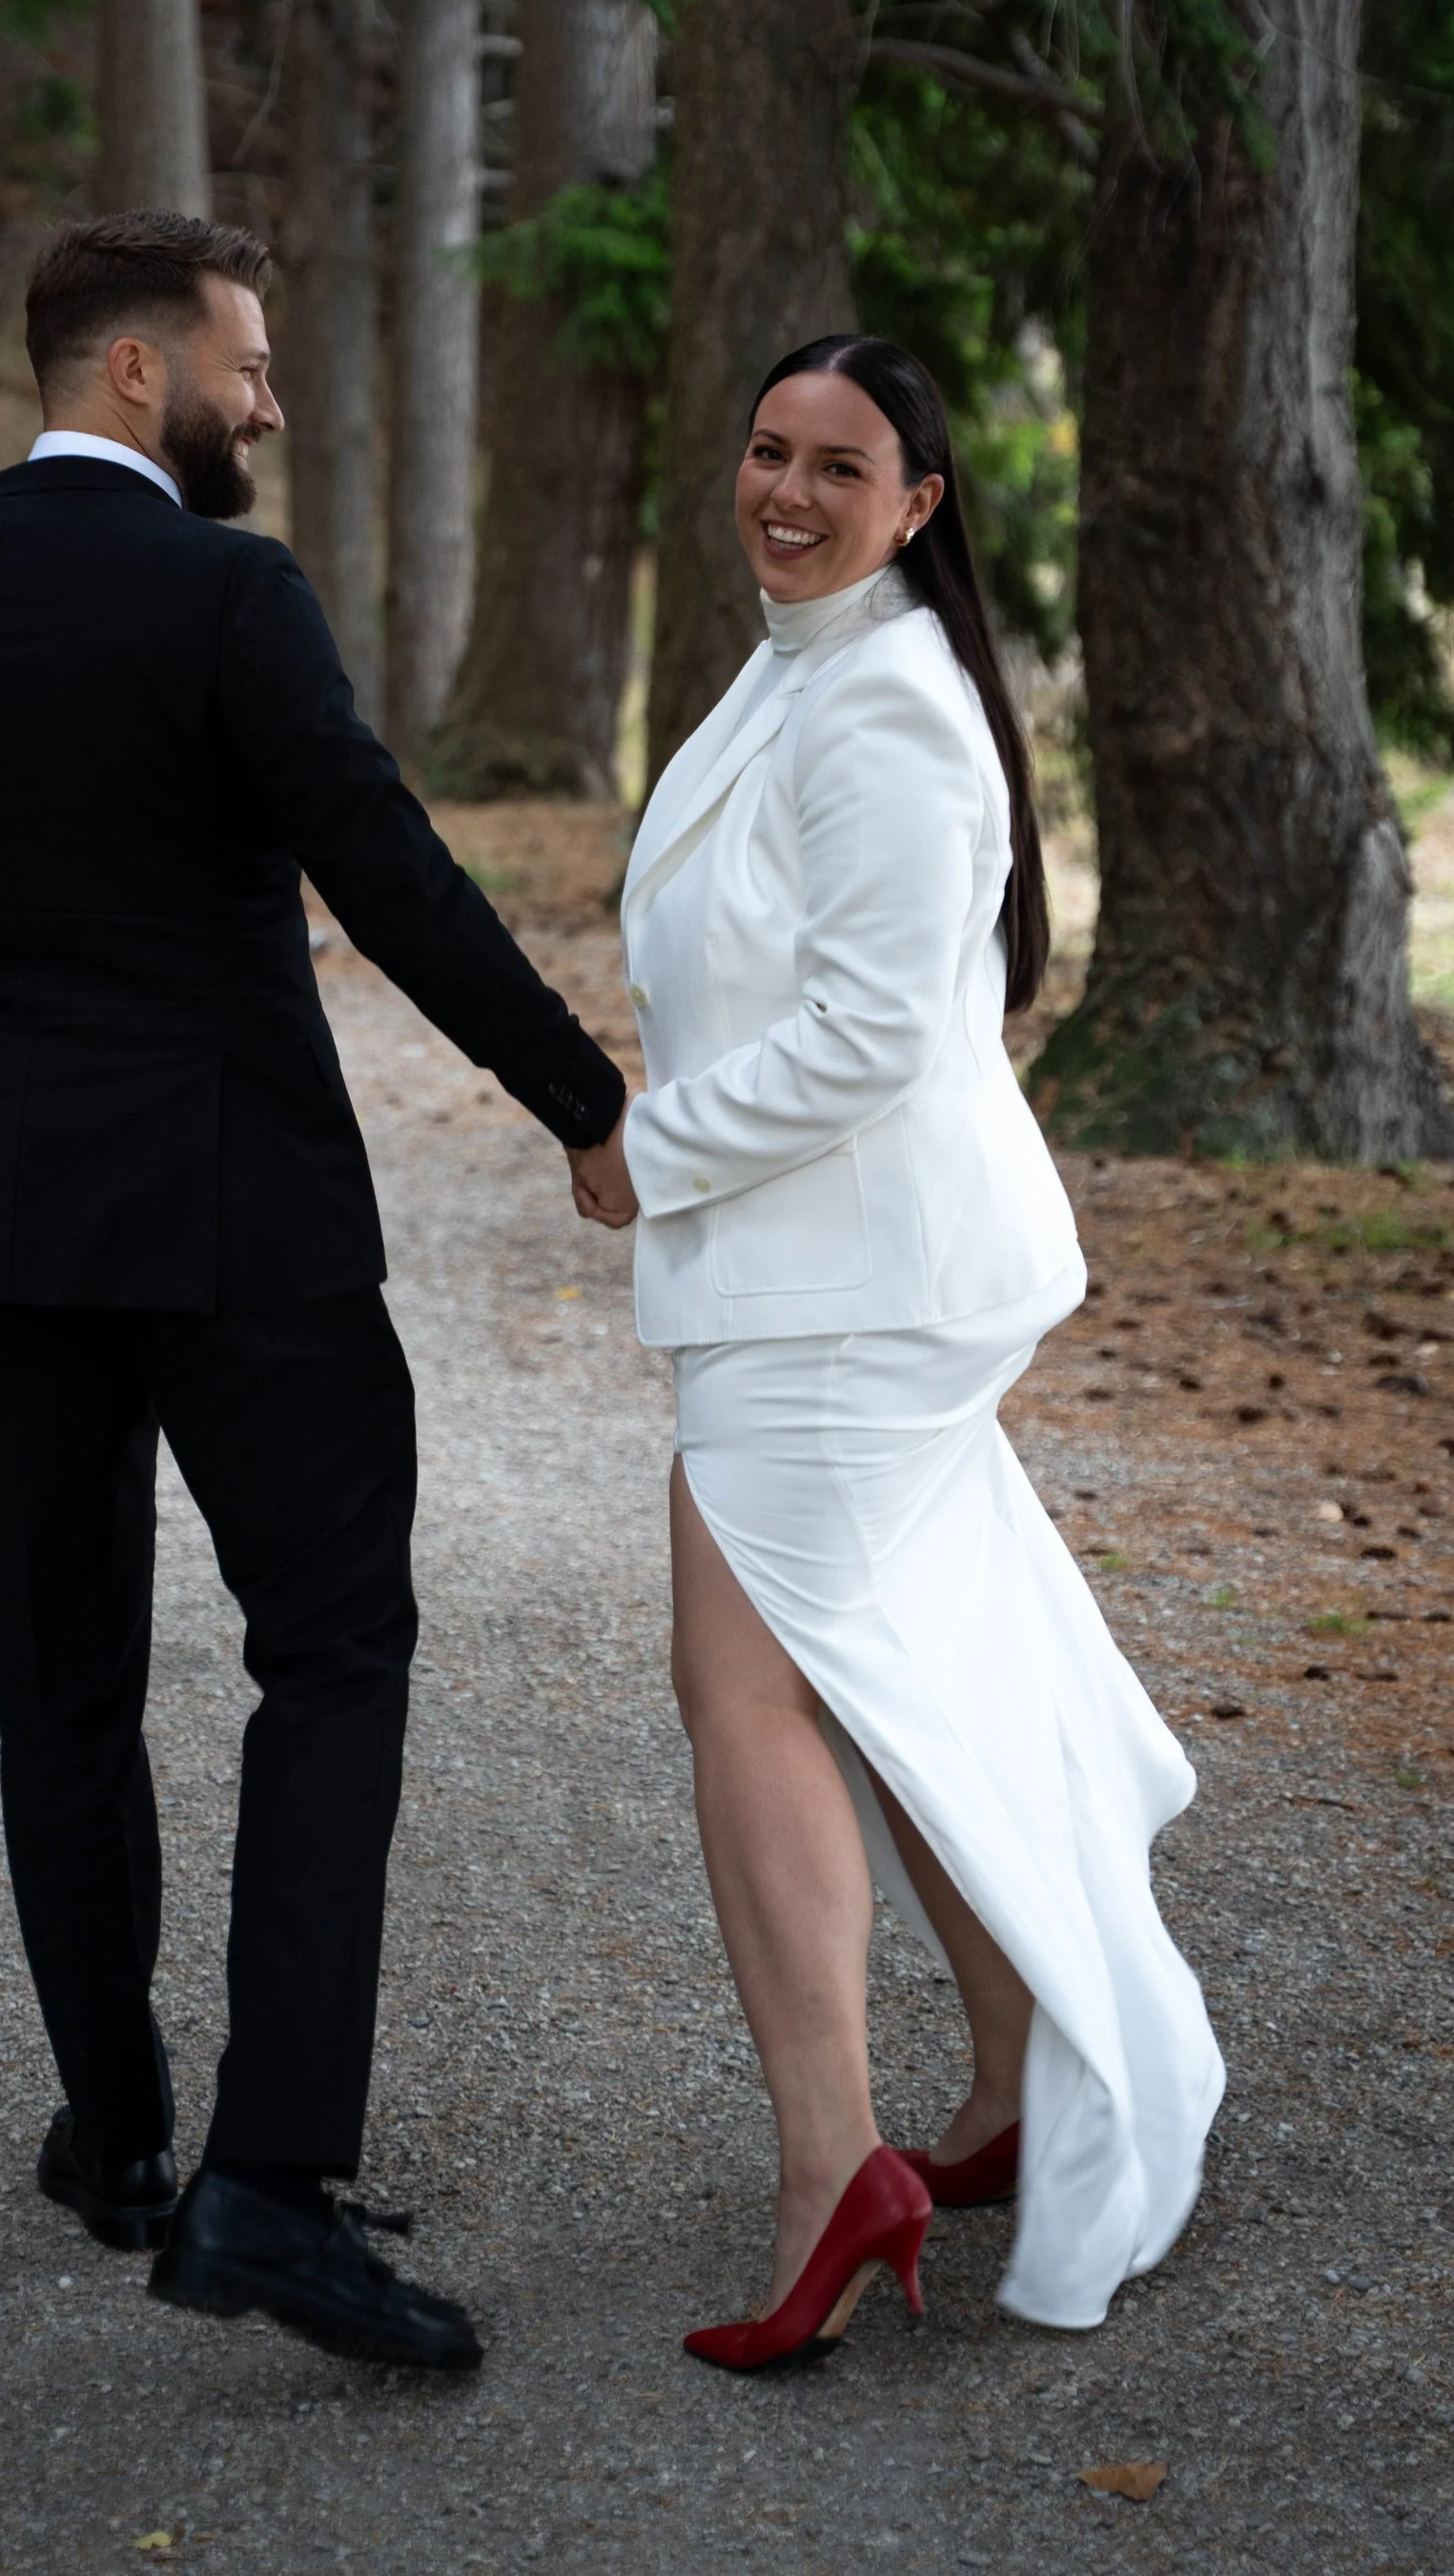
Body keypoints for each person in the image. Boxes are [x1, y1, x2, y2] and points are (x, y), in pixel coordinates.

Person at [0, 210, 628, 2373]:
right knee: (334, 1648)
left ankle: (116, 2139)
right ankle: (266, 2182)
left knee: (63, 1683)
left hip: (20, 1236)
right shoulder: (223, 593)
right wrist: (580, 1095)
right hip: (245, 1223)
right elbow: (384, 867)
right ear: (132, 371)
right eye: (244, 366)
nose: (265, 404)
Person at [571, 334, 1223, 2369]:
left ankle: (828, 2164)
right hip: (828, 1275)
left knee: (743, 1692)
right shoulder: (801, 666)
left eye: (836, 467)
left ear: (919, 501)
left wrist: (644, 1149)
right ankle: (1024, 2074)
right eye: (766, 449)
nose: (785, 490)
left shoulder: (889, 707)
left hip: (845, 1294)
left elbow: (869, 1035)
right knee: (874, 1673)